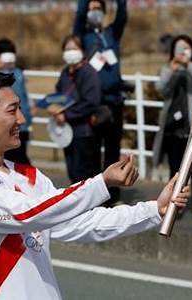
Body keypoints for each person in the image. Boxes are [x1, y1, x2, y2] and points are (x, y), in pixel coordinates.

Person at [0, 71, 189, 300]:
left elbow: (82, 222)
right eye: (12, 110)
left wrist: (154, 210)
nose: (22, 118)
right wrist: (101, 183)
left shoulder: (29, 177)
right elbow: (25, 214)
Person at [73, 0, 127, 206]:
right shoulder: (83, 36)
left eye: (98, 9)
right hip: (94, 101)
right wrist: (84, 5)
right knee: (93, 149)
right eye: (91, 9)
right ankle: (95, 197)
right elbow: (78, 17)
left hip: (115, 100)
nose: (94, 12)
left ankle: (113, 196)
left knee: (113, 149)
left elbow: (122, 15)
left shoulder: (112, 33)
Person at [152, 34, 192, 221]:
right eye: (179, 48)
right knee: (175, 169)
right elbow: (161, 89)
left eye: (186, 48)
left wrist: (188, 65)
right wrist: (172, 69)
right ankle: (175, 204)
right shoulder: (167, 68)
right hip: (172, 128)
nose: (182, 52)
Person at [50, 34, 101, 183]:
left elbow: (91, 102)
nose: (70, 52)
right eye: (67, 49)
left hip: (84, 131)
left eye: (74, 48)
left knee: (84, 173)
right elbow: (59, 94)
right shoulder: (66, 72)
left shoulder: (89, 72)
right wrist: (53, 106)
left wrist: (66, 115)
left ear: (82, 50)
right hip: (67, 131)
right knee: (73, 172)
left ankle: (91, 206)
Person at [0, 38, 34, 165]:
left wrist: (31, 106)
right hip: (5, 122)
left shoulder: (19, 72)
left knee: (21, 156)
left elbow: (24, 94)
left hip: (22, 121)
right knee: (8, 157)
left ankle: (30, 182)